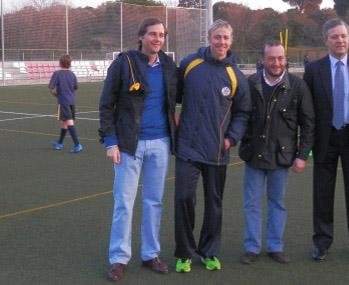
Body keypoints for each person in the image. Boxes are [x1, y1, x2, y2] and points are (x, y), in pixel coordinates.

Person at [99, 18, 178, 281]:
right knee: (124, 202)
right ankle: (119, 258)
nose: (158, 39)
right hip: (128, 145)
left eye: (162, 35)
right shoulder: (124, 63)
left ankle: (150, 254)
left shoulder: (168, 65)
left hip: (161, 143)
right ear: (141, 36)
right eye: (152, 34)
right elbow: (106, 104)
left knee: (154, 202)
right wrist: (110, 141)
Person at [174, 19, 251, 272]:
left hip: (218, 151)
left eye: (226, 38)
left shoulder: (235, 75)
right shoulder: (189, 64)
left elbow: (243, 112)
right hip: (187, 148)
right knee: (184, 199)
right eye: (217, 37)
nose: (222, 42)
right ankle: (184, 252)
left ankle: (209, 252)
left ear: (231, 41)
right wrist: (175, 125)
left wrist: (231, 138)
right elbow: (172, 97)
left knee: (214, 203)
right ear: (209, 37)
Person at [303, 18, 349, 262]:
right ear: (326, 40)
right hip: (325, 138)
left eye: (343, 35)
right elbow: (309, 106)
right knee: (322, 194)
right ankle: (322, 243)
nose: (340, 40)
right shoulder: (314, 69)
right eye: (334, 36)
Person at [238, 40, 314, 265]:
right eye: (271, 58)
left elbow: (308, 123)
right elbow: (239, 115)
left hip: (282, 156)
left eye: (280, 58)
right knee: (252, 203)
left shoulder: (298, 87)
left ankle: (275, 246)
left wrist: (302, 156)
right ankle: (252, 247)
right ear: (262, 60)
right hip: (254, 154)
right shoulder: (250, 83)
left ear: (285, 59)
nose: (276, 62)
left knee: (277, 203)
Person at [48, 54, 82, 153]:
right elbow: (75, 87)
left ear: (60, 63)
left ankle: (77, 144)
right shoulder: (72, 74)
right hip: (71, 101)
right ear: (69, 64)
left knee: (69, 122)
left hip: (63, 102)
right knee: (64, 122)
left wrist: (56, 95)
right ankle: (59, 143)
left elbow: (51, 88)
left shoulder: (57, 74)